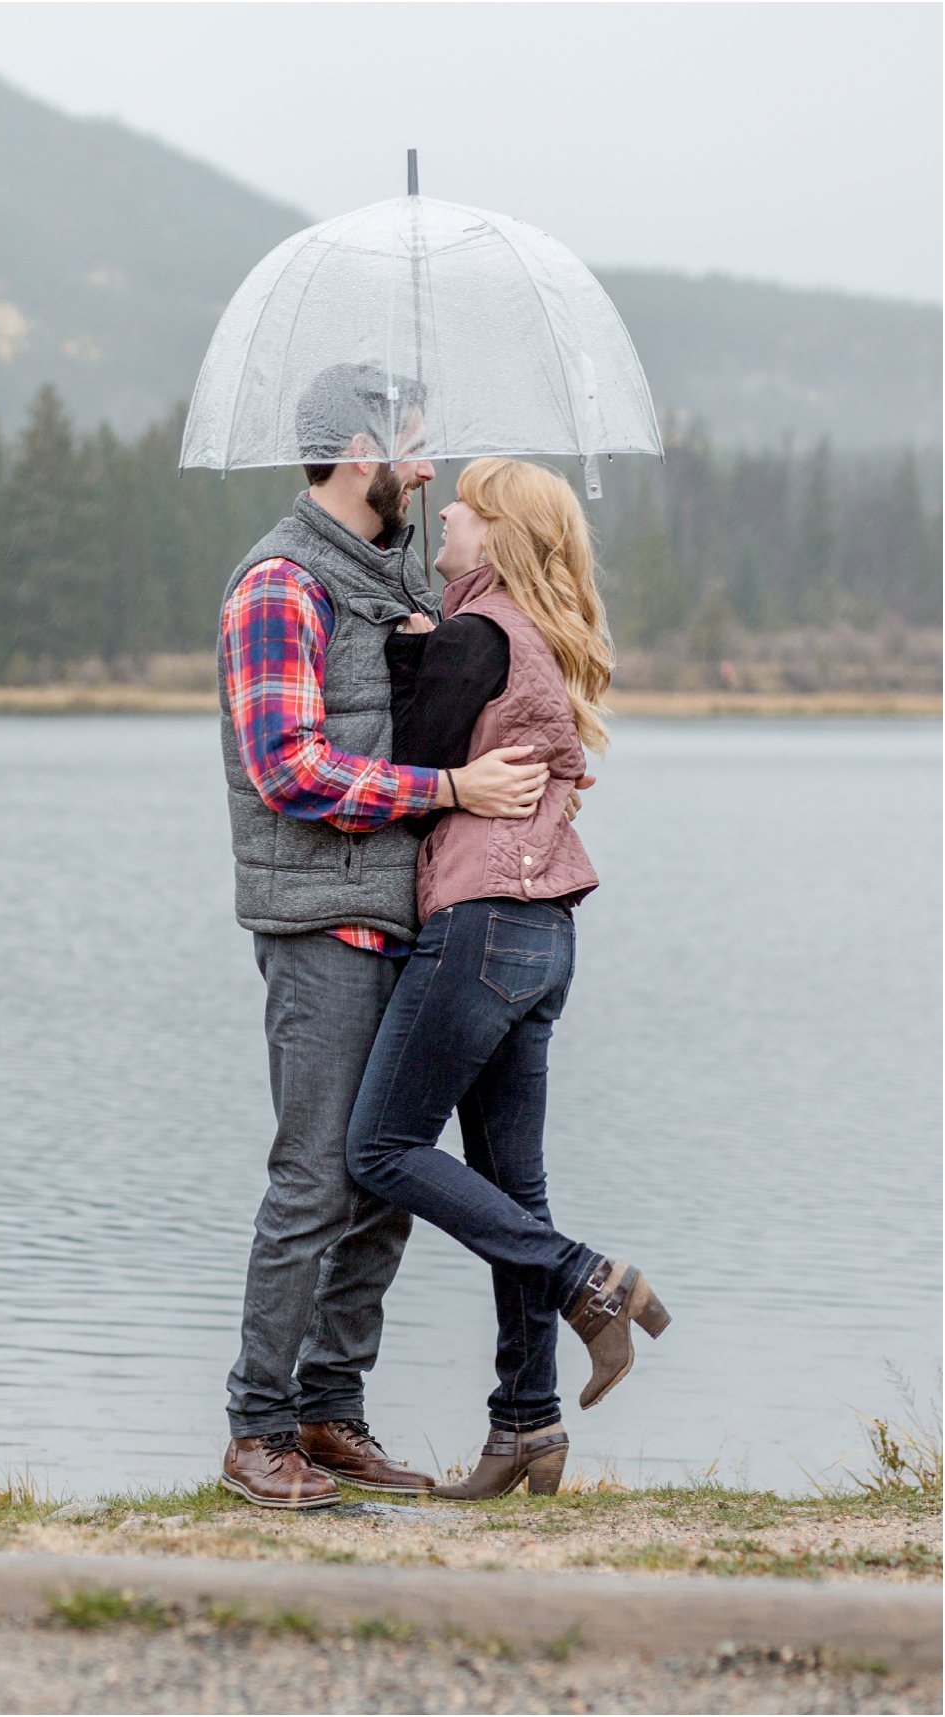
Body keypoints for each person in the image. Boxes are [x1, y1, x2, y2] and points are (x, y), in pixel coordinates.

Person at [217, 366, 563, 1510]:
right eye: (417, 447)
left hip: (399, 919)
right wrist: (453, 783)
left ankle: (329, 1410)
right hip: (320, 924)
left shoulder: (385, 577)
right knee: (314, 1177)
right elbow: (288, 770)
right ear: (360, 451)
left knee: (381, 1179)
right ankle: (257, 1431)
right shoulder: (279, 582)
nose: (428, 468)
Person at [346, 457, 670, 1502]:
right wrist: (421, 651)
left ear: (498, 538)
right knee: (509, 1181)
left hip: (481, 925)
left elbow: (408, 768)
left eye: (467, 506)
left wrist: (404, 667)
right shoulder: (516, 634)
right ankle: (526, 1422)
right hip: (543, 937)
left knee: (382, 1144)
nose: (447, 512)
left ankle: (587, 1279)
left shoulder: (480, 635)